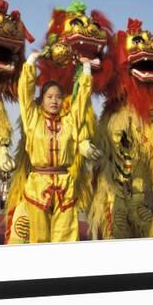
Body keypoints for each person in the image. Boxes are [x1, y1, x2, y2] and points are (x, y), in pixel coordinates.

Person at [17, 51, 93, 243]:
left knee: (65, 238)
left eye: (58, 97)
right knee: (39, 239)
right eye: (49, 97)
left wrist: (86, 68)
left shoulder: (69, 122)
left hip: (65, 185)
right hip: (38, 184)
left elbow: (81, 103)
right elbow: (25, 93)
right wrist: (31, 61)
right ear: (41, 100)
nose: (54, 100)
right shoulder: (32, 118)